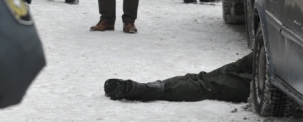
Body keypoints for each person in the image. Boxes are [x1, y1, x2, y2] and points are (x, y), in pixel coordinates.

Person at [104, 52, 252, 102]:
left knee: (209, 85)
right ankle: (153, 87)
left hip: (268, 74)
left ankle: (147, 90)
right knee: (207, 79)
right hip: (267, 56)